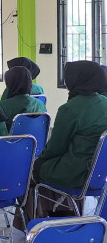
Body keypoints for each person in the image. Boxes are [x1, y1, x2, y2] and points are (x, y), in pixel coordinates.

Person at [32, 61, 107, 191]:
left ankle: (44, 205)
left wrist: (38, 160)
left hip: (75, 173)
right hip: (101, 172)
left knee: (32, 167)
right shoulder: (104, 102)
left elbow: (56, 147)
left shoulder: (70, 109)